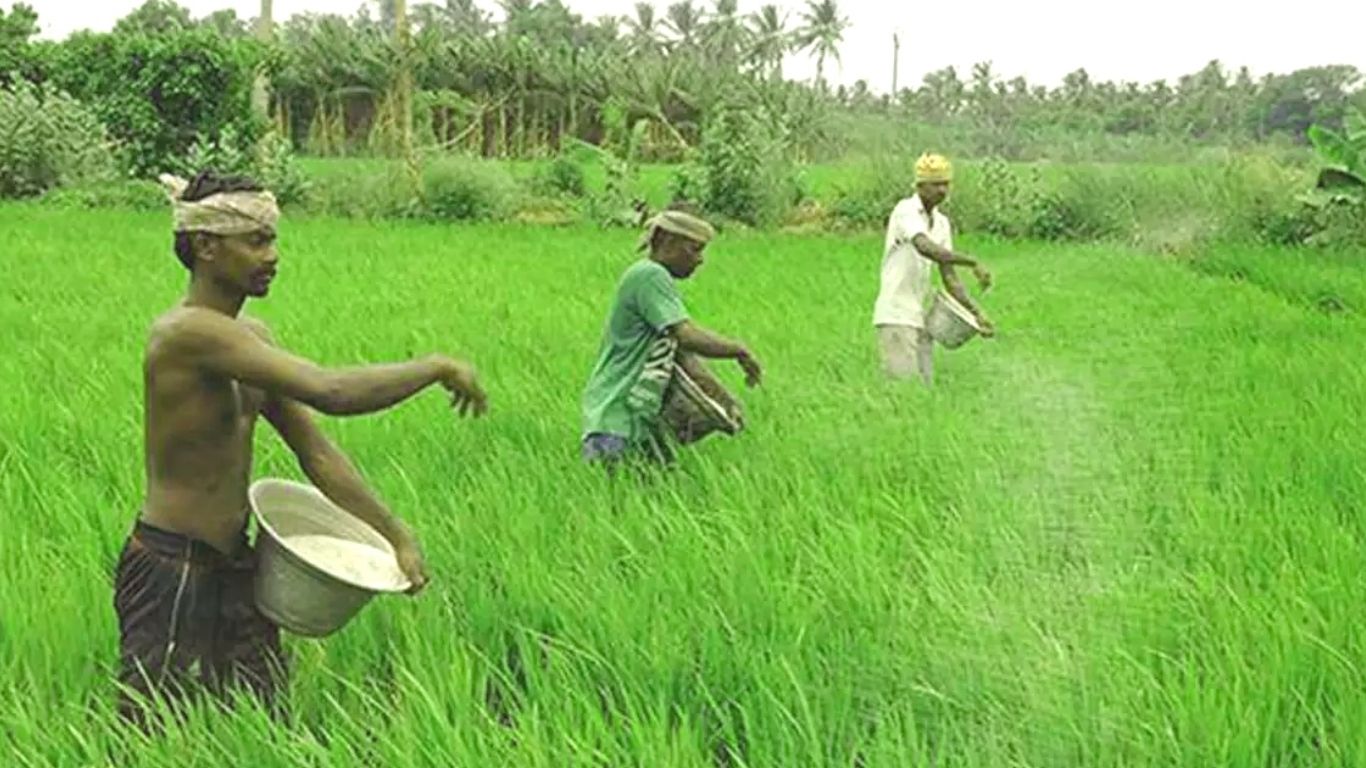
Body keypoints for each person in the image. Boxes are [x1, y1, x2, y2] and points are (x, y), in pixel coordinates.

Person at [115, 170, 488, 728]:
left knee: (263, 719)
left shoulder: (250, 342)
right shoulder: (185, 335)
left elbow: (316, 451)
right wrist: (434, 367)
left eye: (273, 239)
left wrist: (396, 536)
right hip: (172, 568)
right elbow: (331, 390)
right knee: (153, 730)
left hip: (234, 562)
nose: (274, 255)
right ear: (205, 246)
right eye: (258, 240)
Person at [580, 208, 762, 470]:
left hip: (637, 423)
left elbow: (683, 357)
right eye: (694, 249)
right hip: (617, 422)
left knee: (652, 500)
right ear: (667, 241)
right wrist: (739, 350)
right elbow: (686, 335)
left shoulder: (650, 282)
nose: (700, 260)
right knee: (621, 505)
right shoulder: (650, 275)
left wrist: (723, 403)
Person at [872, 153, 995, 386]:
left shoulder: (941, 223)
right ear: (920, 185)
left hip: (922, 317)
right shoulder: (905, 211)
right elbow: (925, 247)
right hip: (897, 315)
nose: (942, 190)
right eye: (936, 184)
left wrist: (976, 313)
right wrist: (972, 262)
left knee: (923, 388)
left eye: (946, 183)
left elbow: (949, 276)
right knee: (902, 389)